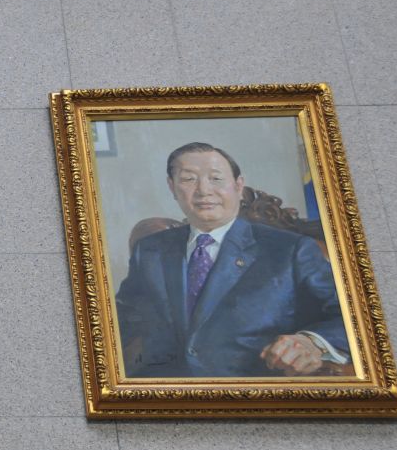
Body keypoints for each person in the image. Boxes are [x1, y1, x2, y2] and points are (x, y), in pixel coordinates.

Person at [115, 141, 348, 378]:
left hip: (252, 386)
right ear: (172, 187)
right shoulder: (151, 250)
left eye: (216, 179)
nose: (204, 191)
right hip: (161, 387)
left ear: (238, 185)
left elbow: (350, 316)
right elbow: (124, 315)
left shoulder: (291, 250)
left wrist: (312, 342)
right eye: (188, 179)